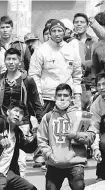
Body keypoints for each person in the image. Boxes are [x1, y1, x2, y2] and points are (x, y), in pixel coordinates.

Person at [37, 83, 96, 190]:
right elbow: (41, 140)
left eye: (65, 96)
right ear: (55, 98)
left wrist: (75, 135)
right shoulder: (48, 117)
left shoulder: (81, 116)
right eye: (59, 96)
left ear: (71, 98)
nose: (62, 99)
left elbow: (91, 136)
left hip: (75, 163)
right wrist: (48, 154)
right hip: (54, 164)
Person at [0, 48, 43, 177]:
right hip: (3, 122)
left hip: (22, 123)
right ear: (4, 61)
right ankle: (3, 187)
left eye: (14, 59)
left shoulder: (28, 80)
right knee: (2, 156)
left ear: (20, 62)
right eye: (8, 59)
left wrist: (41, 121)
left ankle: (18, 187)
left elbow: (36, 102)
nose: (11, 62)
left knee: (21, 160)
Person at [29, 19, 82, 168]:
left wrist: (77, 95)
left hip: (67, 97)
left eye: (60, 30)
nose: (57, 34)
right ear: (49, 33)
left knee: (67, 129)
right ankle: (42, 155)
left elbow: (77, 75)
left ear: (64, 32)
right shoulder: (41, 50)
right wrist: (37, 95)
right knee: (46, 128)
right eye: (54, 31)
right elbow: (34, 75)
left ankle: (66, 157)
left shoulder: (71, 50)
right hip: (48, 97)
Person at [89, 73, 105, 181]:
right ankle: (101, 174)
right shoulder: (96, 105)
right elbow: (94, 129)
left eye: (104, 84)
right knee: (103, 143)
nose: (101, 88)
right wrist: (95, 149)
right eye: (99, 85)